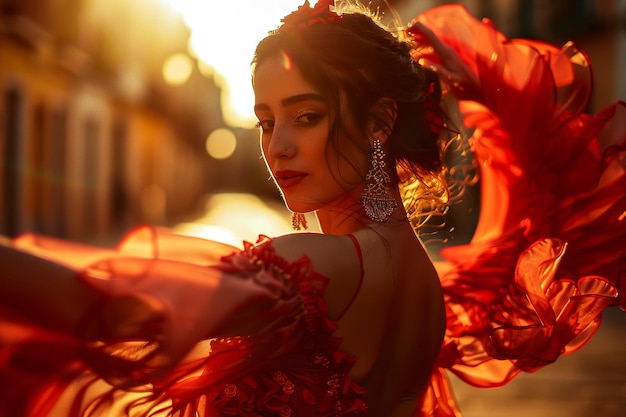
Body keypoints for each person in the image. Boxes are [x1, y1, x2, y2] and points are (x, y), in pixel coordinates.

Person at [0, 1, 624, 417]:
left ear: (380, 121)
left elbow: (113, 312)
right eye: (266, 122)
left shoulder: (320, 265)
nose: (278, 147)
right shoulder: (425, 281)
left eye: (306, 117)